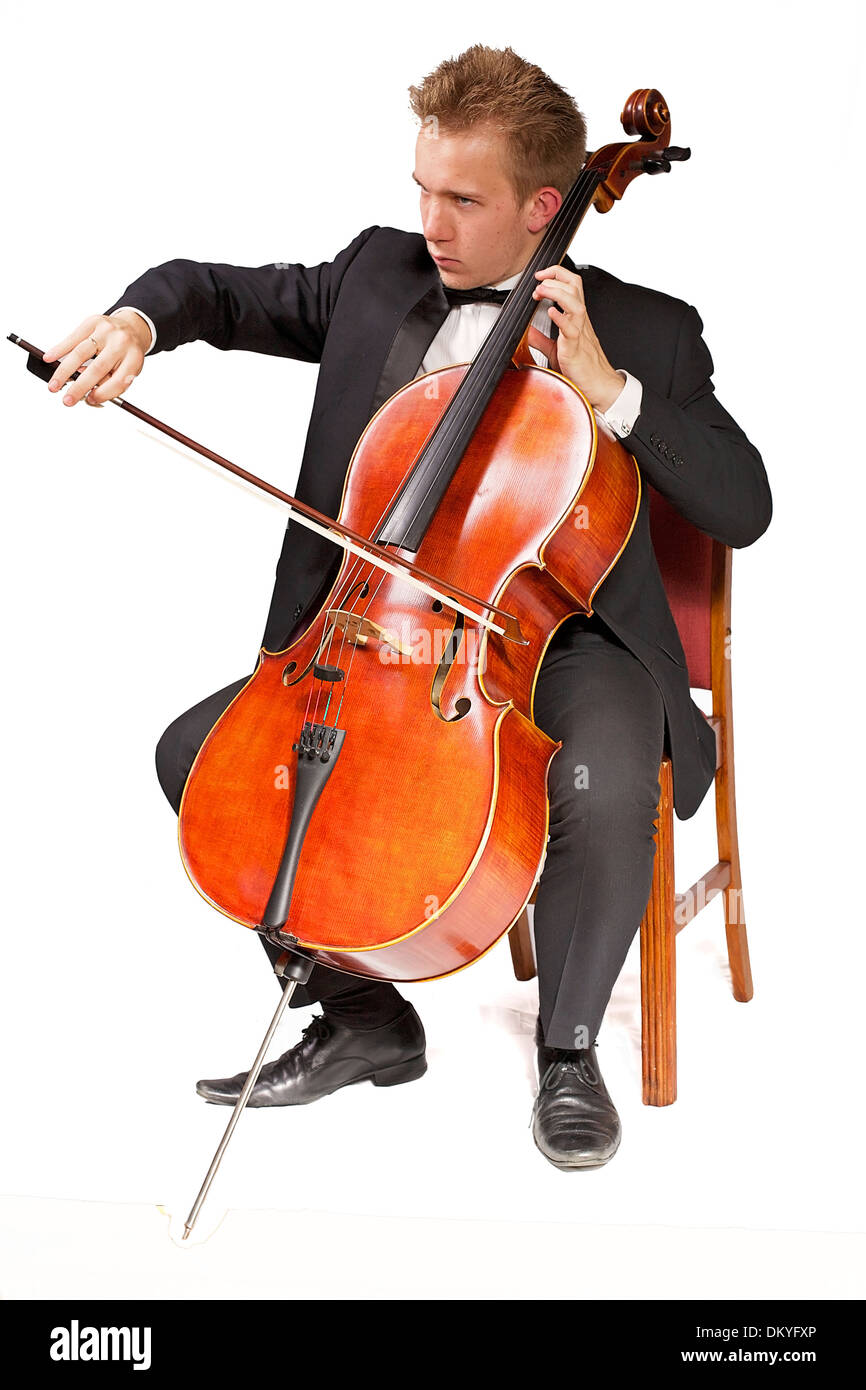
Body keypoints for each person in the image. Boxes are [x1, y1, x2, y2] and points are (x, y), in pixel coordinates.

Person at [40, 45, 771, 1171]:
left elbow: (742, 503)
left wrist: (609, 393)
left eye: (461, 199)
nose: (428, 219)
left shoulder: (651, 329)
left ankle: (568, 1054)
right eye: (420, 187)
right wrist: (141, 321)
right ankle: (364, 1018)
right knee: (200, 759)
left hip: (566, 630)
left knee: (607, 767)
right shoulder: (377, 274)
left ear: (543, 206)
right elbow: (213, 288)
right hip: (383, 633)